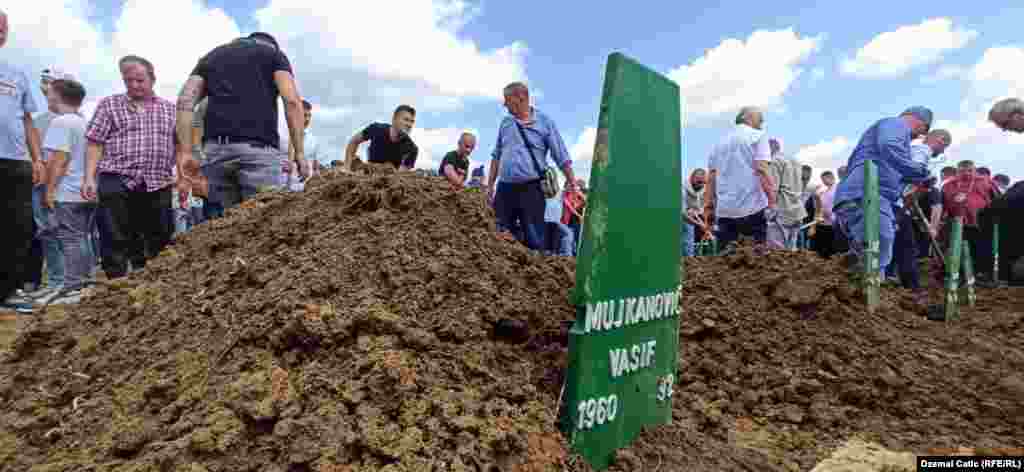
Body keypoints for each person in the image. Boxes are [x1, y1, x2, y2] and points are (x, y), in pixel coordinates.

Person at [175, 33, 306, 220]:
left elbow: (185, 101)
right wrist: (299, 152)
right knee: (263, 225)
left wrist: (187, 151)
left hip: (215, 153)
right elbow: (292, 101)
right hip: (259, 153)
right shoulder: (273, 55)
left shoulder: (212, 56)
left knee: (221, 227)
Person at [82, 55, 176, 279]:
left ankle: (153, 281)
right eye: (128, 81)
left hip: (157, 181)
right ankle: (116, 282)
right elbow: (95, 143)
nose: (134, 85)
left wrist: (183, 176)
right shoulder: (110, 104)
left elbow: (181, 146)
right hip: (117, 178)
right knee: (114, 233)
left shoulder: (170, 109)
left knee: (159, 235)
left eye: (140, 80)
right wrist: (88, 178)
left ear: (152, 79)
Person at [832, 107, 932, 278]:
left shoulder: (899, 140)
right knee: (879, 240)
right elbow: (889, 146)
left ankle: (853, 278)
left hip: (868, 195)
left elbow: (892, 169)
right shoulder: (895, 124)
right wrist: (917, 170)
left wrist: (911, 179)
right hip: (865, 193)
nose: (919, 136)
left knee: (873, 244)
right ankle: (868, 289)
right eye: (923, 131)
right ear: (921, 123)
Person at [487, 82, 578, 251]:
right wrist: (490, 185)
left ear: (521, 98)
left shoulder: (545, 123)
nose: (504, 104)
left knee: (535, 237)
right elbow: (496, 155)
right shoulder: (506, 123)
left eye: (507, 100)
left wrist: (573, 183)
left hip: (532, 189)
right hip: (505, 189)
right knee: (497, 233)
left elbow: (561, 155)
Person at [0, 10, 46, 313]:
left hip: (15, 162)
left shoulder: (16, 73)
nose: (0, 31)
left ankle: (7, 290)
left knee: (17, 228)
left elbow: (28, 120)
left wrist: (37, 158)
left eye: (3, 27)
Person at [35, 79, 91, 306]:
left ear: (56, 96)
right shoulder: (84, 122)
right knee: (81, 238)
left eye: (49, 93)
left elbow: (59, 159)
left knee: (69, 240)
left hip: (67, 191)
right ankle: (82, 284)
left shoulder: (60, 123)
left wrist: (49, 190)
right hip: (86, 191)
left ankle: (72, 288)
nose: (47, 97)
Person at [27, 68, 76, 301]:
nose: (45, 87)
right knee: (46, 233)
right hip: (39, 186)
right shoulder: (37, 121)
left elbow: (71, 156)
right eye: (43, 83)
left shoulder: (74, 119)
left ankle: (72, 282)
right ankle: (57, 280)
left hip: (64, 187)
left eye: (50, 83)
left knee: (67, 233)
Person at [704, 106, 775, 251]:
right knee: (758, 260)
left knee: (725, 263)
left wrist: (708, 209)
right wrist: (772, 201)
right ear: (745, 117)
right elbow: (762, 169)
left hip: (725, 211)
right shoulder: (758, 136)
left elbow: (711, 179)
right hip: (753, 208)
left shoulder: (718, 144)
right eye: (759, 119)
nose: (761, 123)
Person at [893, 130, 951, 295]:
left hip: (896, 203)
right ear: (940, 140)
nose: (943, 151)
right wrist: (922, 181)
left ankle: (899, 282)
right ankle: (913, 289)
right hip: (896, 203)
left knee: (900, 245)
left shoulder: (910, 150)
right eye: (944, 146)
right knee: (907, 247)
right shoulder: (921, 151)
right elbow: (913, 177)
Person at [938, 160, 993, 281]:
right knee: (955, 249)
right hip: (956, 222)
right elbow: (941, 204)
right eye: (963, 171)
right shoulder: (949, 185)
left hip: (980, 222)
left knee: (980, 248)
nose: (966, 174)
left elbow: (995, 200)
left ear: (975, 171)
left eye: (970, 171)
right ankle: (955, 273)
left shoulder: (985, 182)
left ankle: (981, 274)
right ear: (957, 172)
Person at [344, 105, 419, 171]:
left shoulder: (412, 149)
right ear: (394, 119)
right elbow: (354, 141)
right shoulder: (377, 129)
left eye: (412, 121)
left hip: (389, 176)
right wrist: (346, 167)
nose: (409, 124)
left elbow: (400, 174)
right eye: (406, 119)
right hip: (369, 168)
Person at [765, 138, 806, 249]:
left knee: (777, 253)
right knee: (792, 251)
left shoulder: (774, 161)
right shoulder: (795, 160)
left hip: (782, 211)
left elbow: (773, 188)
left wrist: (769, 210)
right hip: (797, 210)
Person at [282, 100, 320, 192]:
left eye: (309, 116)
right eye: (304, 115)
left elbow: (315, 167)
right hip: (282, 193)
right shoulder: (282, 137)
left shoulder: (313, 140)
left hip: (306, 195)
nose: (307, 119)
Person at [812, 171, 839, 258]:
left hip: (833, 224)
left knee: (831, 251)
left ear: (831, 178)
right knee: (821, 251)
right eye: (822, 180)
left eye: (825, 179)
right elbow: (818, 208)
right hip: (822, 224)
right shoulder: (824, 192)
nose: (824, 182)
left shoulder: (838, 190)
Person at [682, 169, 707, 256]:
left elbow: (700, 208)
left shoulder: (702, 190)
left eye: (703, 182)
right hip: (681, 217)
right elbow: (682, 214)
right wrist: (699, 225)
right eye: (699, 182)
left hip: (690, 217)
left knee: (689, 243)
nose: (701, 185)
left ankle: (689, 257)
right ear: (691, 178)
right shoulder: (682, 188)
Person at [563, 178, 587, 256]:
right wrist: (579, 215)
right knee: (570, 238)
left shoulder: (577, 194)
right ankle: (571, 255)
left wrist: (579, 193)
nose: (569, 187)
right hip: (568, 221)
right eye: (568, 186)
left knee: (577, 238)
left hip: (577, 221)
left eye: (571, 186)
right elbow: (570, 207)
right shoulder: (564, 195)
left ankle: (576, 255)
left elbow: (585, 201)